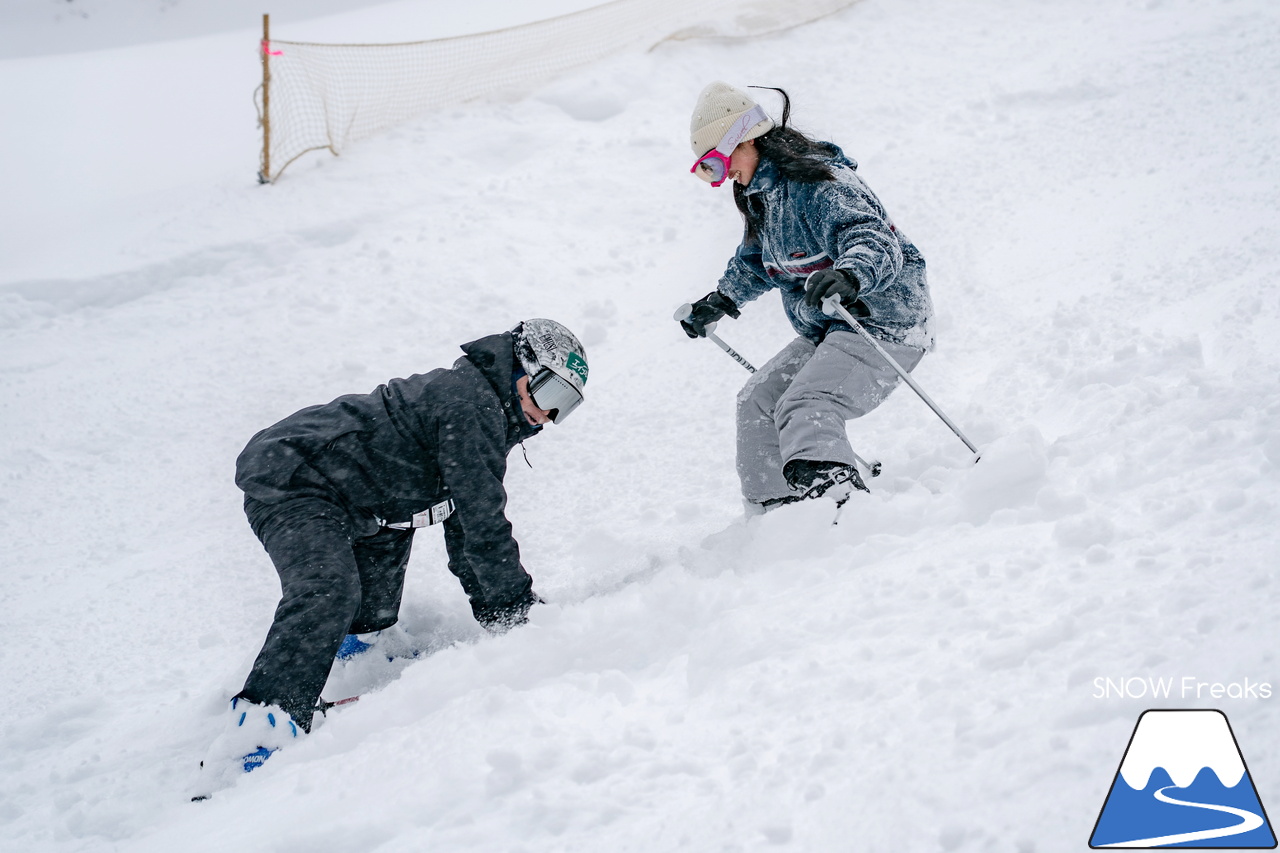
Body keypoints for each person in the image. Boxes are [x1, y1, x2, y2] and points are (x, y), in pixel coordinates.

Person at [194, 319, 589, 796]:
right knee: (327, 590)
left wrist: (502, 615)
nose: (547, 415)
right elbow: (485, 524)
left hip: (366, 502)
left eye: (564, 406)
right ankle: (256, 734)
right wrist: (520, 616)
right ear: (518, 369)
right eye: (549, 393)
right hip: (296, 477)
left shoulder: (488, 414)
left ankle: (359, 655)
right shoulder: (469, 404)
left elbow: (466, 532)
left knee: (387, 572)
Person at [679, 81, 935, 512]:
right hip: (833, 328)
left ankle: (841, 509)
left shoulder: (820, 182)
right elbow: (759, 261)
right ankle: (778, 514)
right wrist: (722, 300)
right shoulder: (764, 197)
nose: (719, 180)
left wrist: (851, 274)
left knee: (807, 403)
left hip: (883, 321)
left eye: (715, 164)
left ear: (744, 140)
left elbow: (872, 238)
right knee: (758, 399)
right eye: (707, 170)